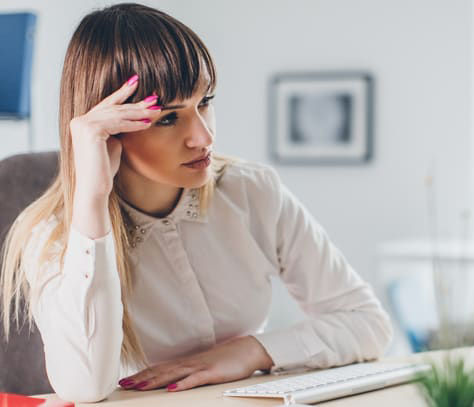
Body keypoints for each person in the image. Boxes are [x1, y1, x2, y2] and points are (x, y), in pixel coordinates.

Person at [0, 3, 392, 403]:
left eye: (205, 102)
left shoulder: (251, 191)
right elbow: (83, 387)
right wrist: (92, 198)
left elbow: (368, 324)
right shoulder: (53, 236)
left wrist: (252, 351)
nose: (203, 137)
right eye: (168, 118)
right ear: (110, 130)